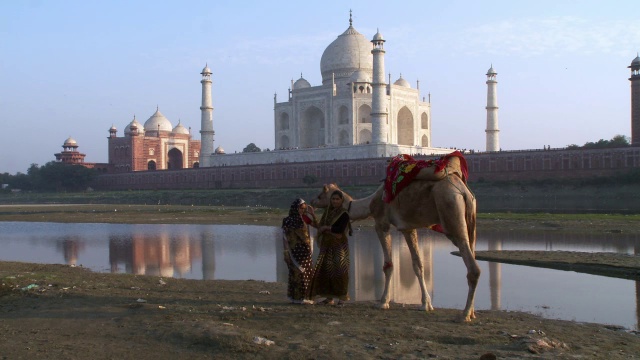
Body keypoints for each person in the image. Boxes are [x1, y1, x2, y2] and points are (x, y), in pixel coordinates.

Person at [309, 190, 351, 307]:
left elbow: (339, 229)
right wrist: (312, 215)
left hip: (339, 246)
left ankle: (342, 299)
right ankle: (329, 298)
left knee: (340, 271)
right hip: (327, 245)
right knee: (326, 270)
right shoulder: (327, 212)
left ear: (341, 200)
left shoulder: (344, 214)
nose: (335, 201)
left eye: (337, 199)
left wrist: (326, 228)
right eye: (333, 199)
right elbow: (320, 227)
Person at [282, 198, 317, 304]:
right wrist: (286, 251)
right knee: (296, 273)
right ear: (295, 208)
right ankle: (295, 298)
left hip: (305, 252)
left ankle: (305, 297)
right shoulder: (287, 220)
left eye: (304, 208)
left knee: (306, 273)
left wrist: (313, 214)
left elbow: (317, 226)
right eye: (301, 208)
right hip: (294, 252)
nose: (302, 210)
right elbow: (284, 237)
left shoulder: (305, 219)